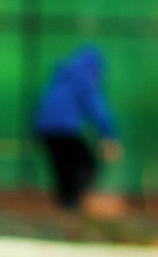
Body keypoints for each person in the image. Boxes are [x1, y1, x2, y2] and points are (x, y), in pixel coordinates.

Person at [32, 44, 120, 210]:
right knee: (87, 165)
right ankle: (72, 204)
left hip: (44, 130)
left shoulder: (60, 77)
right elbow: (98, 111)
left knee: (62, 168)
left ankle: (66, 207)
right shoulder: (84, 79)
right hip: (65, 130)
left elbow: (41, 104)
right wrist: (108, 136)